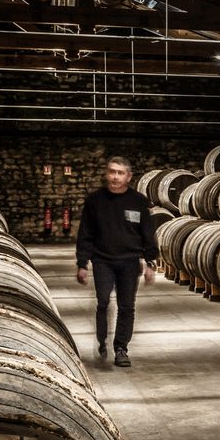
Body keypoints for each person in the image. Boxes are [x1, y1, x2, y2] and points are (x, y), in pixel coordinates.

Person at [76, 156, 158, 367]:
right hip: (102, 260)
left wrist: (151, 262)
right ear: (106, 173)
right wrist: (82, 263)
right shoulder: (95, 200)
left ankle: (121, 348)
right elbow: (85, 232)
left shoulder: (138, 201)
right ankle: (102, 339)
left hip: (130, 262)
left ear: (128, 176)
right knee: (103, 302)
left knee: (127, 306)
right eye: (112, 172)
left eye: (120, 173)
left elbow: (148, 233)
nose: (115, 176)